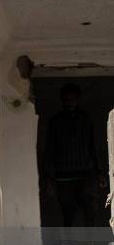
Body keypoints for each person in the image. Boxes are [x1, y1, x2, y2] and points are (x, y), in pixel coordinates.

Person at [45, 83, 107, 227]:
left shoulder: (86, 119)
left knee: (90, 211)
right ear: (62, 101)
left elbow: (93, 147)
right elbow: (49, 151)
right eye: (66, 100)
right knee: (68, 215)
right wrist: (48, 178)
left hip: (86, 175)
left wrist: (99, 173)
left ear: (78, 99)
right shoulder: (56, 122)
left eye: (72, 99)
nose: (70, 103)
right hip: (64, 177)